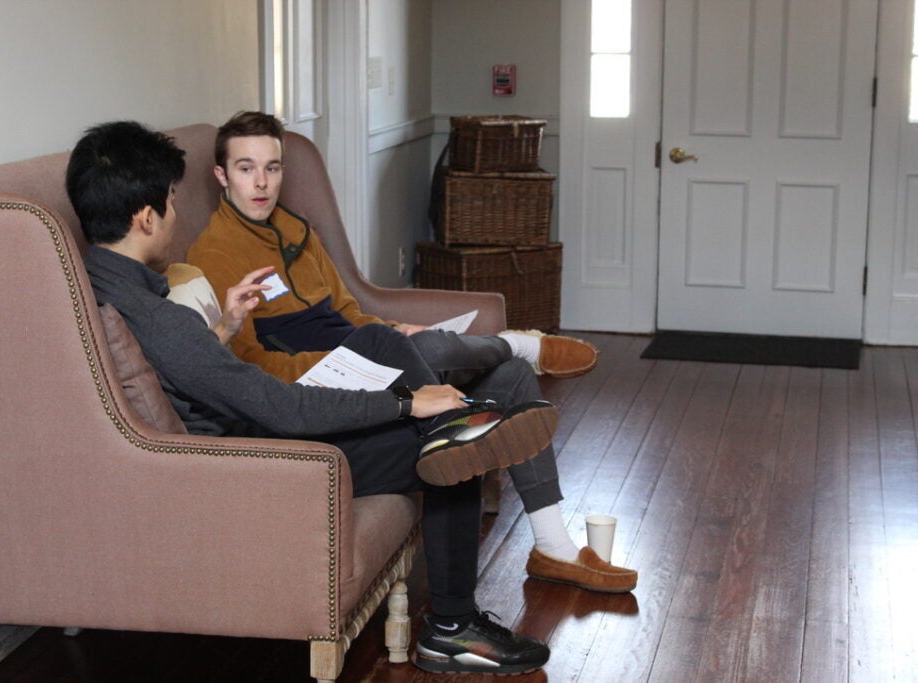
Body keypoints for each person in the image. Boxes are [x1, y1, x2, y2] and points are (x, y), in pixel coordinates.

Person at [68, 120, 563, 675]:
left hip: (248, 437)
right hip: (261, 461)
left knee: (428, 400)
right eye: (171, 203)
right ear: (145, 216)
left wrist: (225, 330)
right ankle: (451, 628)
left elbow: (192, 373)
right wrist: (407, 402)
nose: (176, 216)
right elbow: (285, 408)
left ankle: (468, 421)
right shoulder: (162, 320)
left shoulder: (99, 284)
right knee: (451, 452)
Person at [186, 111, 638, 594]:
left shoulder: (297, 230)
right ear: (221, 176)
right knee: (401, 345)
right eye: (246, 168)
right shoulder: (212, 255)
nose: (261, 182)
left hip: (359, 354)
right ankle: (520, 347)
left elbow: (347, 308)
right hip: (322, 387)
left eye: (272, 168)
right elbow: (254, 364)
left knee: (508, 377)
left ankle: (553, 547)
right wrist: (353, 360)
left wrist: (390, 333)